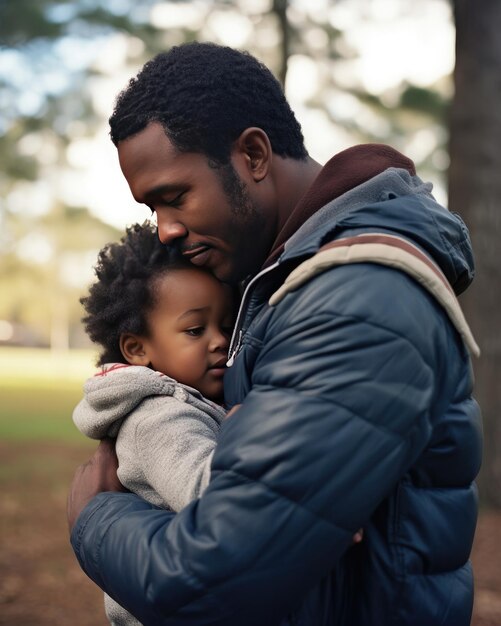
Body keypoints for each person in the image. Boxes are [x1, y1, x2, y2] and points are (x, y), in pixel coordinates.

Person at [67, 42, 482, 626]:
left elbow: (220, 575)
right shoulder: (279, 284)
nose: (165, 231)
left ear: (254, 155)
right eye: (151, 208)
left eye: (174, 197)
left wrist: (95, 518)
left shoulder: (356, 298)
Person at [72, 221, 234, 625]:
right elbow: (209, 496)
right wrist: (248, 428)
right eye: (195, 329)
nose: (219, 341)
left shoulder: (188, 402)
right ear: (138, 348)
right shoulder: (158, 419)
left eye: (226, 326)